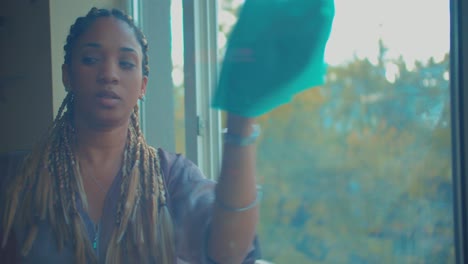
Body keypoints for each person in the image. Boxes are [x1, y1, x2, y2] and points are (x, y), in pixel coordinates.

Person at [0, 7, 261, 264]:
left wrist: (241, 122)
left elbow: (230, 252)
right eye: (91, 59)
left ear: (142, 86)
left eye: (125, 63)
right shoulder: (15, 177)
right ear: (67, 75)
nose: (109, 75)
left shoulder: (172, 178)